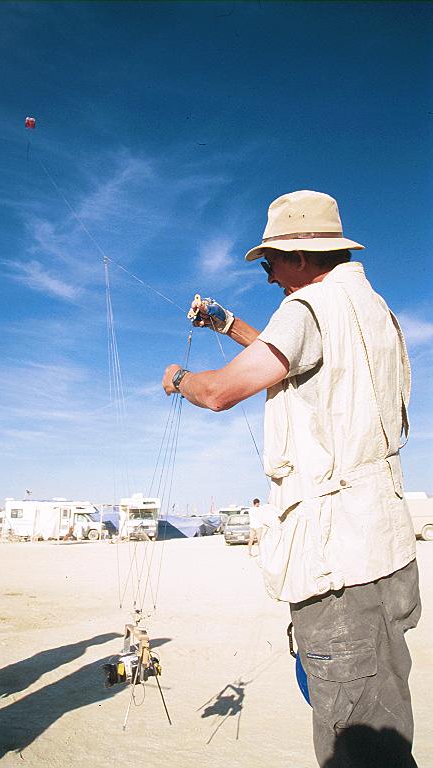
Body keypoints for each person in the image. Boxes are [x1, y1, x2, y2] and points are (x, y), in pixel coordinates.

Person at [162, 190, 421, 767]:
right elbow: (295, 356)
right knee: (384, 711)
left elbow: (222, 391)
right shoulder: (376, 311)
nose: (269, 275)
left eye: (270, 261)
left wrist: (180, 378)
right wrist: (227, 324)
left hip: (338, 562)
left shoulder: (308, 310)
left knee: (355, 739)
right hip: (383, 549)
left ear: (302, 256)